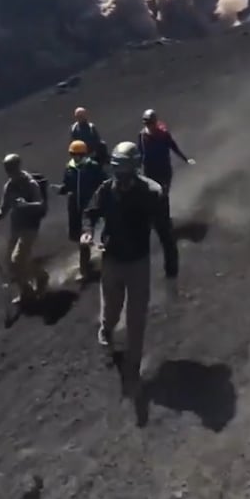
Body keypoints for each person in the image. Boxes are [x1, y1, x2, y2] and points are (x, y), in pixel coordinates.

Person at [81, 141, 176, 396]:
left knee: (136, 317)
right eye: (117, 171)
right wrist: (88, 231)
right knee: (111, 309)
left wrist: (171, 270)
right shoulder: (106, 189)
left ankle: (133, 366)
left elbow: (166, 234)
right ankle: (106, 331)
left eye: (125, 171)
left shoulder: (151, 194)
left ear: (135, 169)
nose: (120, 177)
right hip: (112, 260)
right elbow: (90, 212)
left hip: (137, 263)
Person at [0, 154, 50, 305]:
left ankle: (41, 276)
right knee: (12, 263)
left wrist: (26, 205)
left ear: (18, 166)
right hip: (16, 227)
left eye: (10, 167)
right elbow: (3, 209)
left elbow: (40, 204)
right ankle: (26, 292)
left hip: (30, 226)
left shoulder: (31, 183)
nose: (8, 171)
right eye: (7, 168)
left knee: (18, 259)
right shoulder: (9, 186)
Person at [56, 140, 108, 280]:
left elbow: (104, 183)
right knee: (80, 238)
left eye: (78, 154)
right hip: (75, 208)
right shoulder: (69, 168)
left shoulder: (93, 167)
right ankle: (86, 266)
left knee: (92, 236)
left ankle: (87, 268)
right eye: (73, 154)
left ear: (84, 154)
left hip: (90, 208)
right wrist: (62, 189)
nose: (75, 157)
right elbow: (67, 185)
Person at [137, 109, 195, 192]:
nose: (149, 126)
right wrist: (137, 169)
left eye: (151, 123)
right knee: (151, 194)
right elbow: (140, 153)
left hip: (163, 170)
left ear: (155, 122)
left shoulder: (163, 134)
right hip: (150, 171)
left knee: (163, 194)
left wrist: (185, 159)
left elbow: (174, 147)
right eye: (147, 123)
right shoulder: (142, 135)